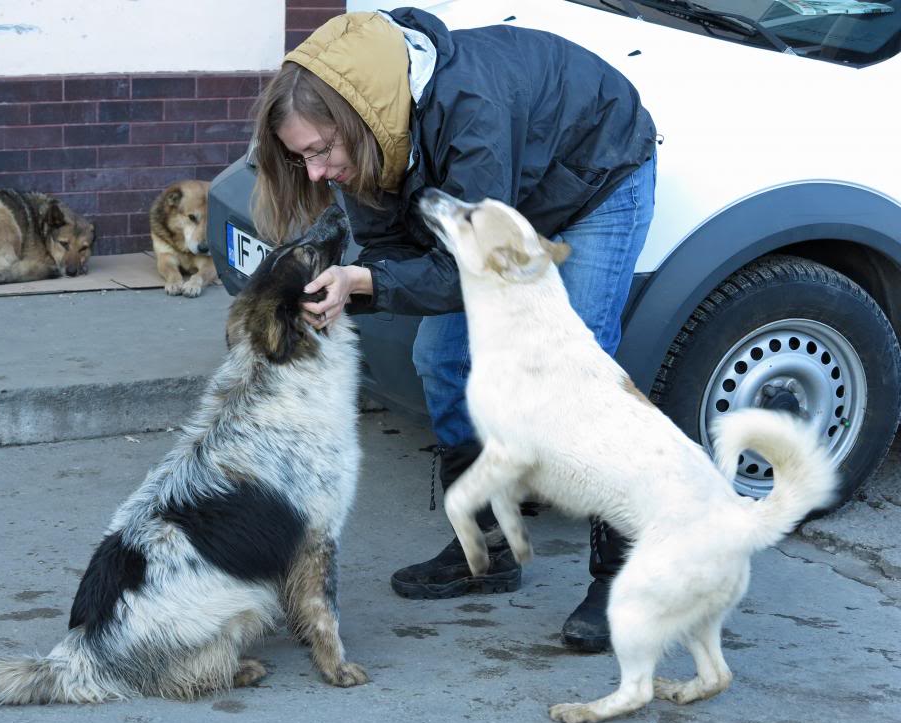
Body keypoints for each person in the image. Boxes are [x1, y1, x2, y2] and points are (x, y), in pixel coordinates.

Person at [250, 7, 658, 653]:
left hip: (590, 183)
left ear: (355, 121)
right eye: (302, 158)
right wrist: (354, 283)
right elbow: (390, 244)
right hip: (499, 200)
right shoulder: (373, 133)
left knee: (576, 376)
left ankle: (627, 575)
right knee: (443, 357)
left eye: (321, 151)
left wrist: (367, 284)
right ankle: (489, 549)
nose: (316, 173)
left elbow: (475, 262)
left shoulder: (474, 109)